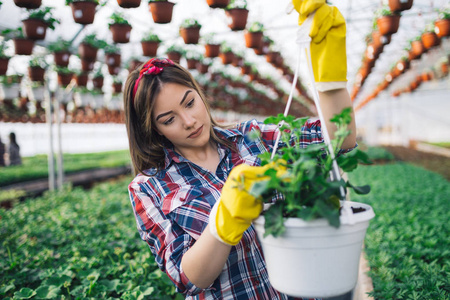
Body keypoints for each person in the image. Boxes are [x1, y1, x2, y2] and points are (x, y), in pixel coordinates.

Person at [124, 2, 355, 299]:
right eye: (169, 120)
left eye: (190, 102)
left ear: (199, 93)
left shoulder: (253, 138)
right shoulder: (149, 187)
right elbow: (189, 279)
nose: (189, 121)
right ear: (153, 128)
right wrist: (223, 222)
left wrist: (330, 74)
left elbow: (338, 140)